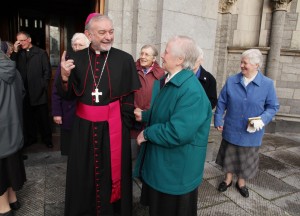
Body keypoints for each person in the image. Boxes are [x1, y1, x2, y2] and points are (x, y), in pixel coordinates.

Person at [55, 13, 140, 216]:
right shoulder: (75, 58)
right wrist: (64, 77)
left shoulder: (125, 59)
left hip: (114, 127)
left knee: (113, 173)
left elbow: (128, 99)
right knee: (83, 174)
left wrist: (124, 124)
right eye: (102, 32)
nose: (108, 37)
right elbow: (66, 96)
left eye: (111, 31)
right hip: (83, 129)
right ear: (88, 34)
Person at [133, 35, 212, 216]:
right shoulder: (172, 81)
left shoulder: (192, 92)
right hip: (166, 167)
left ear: (180, 60)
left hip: (176, 172)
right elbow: (166, 111)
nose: (162, 55)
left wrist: (146, 133)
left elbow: (177, 132)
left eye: (166, 52)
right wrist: (146, 115)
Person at [214, 49, 280, 198]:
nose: (242, 65)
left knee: (246, 159)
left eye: (245, 63)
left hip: (252, 132)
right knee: (229, 155)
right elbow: (222, 102)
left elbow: (273, 106)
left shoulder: (267, 84)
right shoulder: (232, 80)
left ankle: (241, 182)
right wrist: (218, 118)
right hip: (232, 127)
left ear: (257, 65)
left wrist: (262, 119)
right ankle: (228, 179)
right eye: (241, 62)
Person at [10, 31, 53, 148]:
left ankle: (47, 139)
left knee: (43, 118)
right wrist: (14, 51)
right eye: (18, 41)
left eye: (22, 40)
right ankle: (31, 138)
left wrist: (42, 85)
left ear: (29, 40)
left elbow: (47, 72)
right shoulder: (18, 53)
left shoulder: (40, 53)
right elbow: (11, 67)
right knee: (28, 118)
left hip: (38, 91)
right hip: (24, 92)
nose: (21, 43)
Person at [52, 32, 90, 156]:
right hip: (69, 110)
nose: (77, 47)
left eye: (80, 45)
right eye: (75, 45)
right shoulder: (66, 62)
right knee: (71, 149)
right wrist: (57, 112)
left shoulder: (92, 62)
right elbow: (56, 89)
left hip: (86, 111)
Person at [0, 41, 27, 216]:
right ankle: (13, 199)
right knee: (12, 164)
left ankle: (3, 208)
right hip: (14, 128)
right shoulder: (14, 70)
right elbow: (22, 93)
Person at [131, 44, 165, 159]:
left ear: (154, 59)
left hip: (150, 119)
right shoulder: (132, 69)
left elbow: (162, 98)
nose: (143, 57)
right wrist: (134, 109)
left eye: (146, 54)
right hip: (132, 118)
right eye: (141, 53)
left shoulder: (161, 74)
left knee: (148, 155)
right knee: (132, 154)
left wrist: (147, 112)